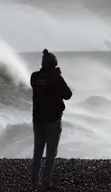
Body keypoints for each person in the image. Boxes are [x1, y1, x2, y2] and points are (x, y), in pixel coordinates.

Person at [30, 48, 72, 190]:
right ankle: (46, 183)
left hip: (37, 120)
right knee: (50, 153)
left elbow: (43, 82)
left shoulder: (34, 77)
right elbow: (68, 94)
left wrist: (54, 77)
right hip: (52, 120)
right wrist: (58, 77)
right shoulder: (55, 79)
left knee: (37, 151)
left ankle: (35, 182)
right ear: (53, 65)